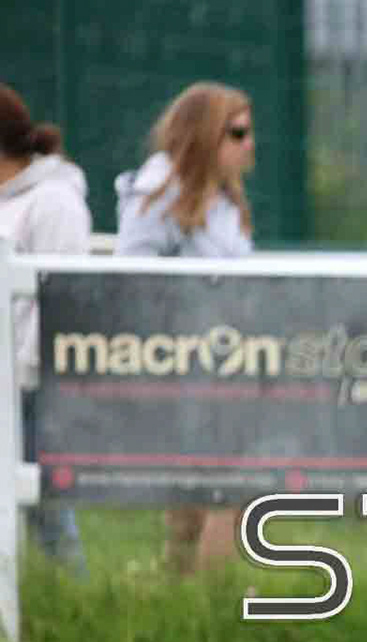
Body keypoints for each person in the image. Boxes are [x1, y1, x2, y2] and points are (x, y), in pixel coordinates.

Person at [114, 82, 257, 573]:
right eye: (236, 133)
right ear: (203, 134)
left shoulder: (225, 201)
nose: (249, 145)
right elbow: (130, 281)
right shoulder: (159, 194)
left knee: (199, 498)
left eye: (249, 133)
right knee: (227, 487)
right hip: (177, 367)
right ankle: (217, 601)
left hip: (226, 364)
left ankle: (182, 597)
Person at [0, 83, 91, 577]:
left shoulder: (54, 202)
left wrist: (24, 379)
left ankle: (76, 604)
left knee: (48, 514)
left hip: (29, 386)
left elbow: (64, 297)